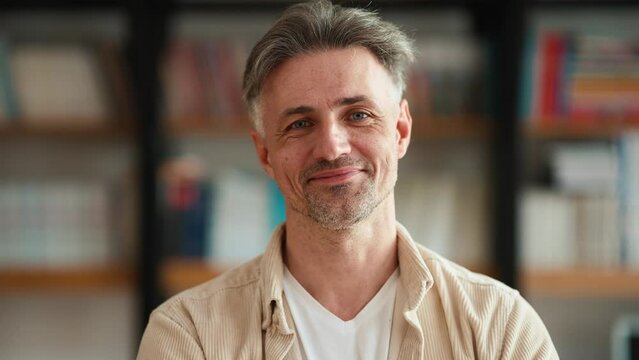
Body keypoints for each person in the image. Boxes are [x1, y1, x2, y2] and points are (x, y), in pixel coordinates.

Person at [137, 1, 558, 359]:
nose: (332, 147)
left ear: (400, 131)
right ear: (265, 152)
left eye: (358, 115)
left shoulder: (500, 327)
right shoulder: (189, 336)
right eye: (300, 123)